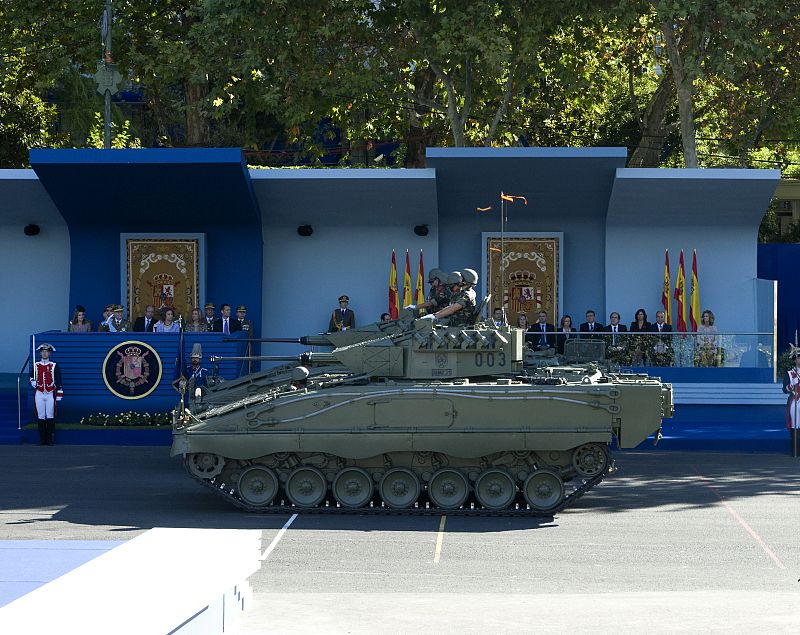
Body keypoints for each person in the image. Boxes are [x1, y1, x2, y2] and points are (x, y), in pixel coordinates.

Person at [30, 343, 62, 445]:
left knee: (50, 416)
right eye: (43, 352)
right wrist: (32, 381)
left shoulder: (54, 365)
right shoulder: (36, 365)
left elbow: (58, 380)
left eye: (46, 352)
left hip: (50, 394)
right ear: (40, 353)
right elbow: (31, 376)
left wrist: (59, 393)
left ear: (50, 353)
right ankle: (42, 439)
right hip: (39, 393)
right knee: (41, 416)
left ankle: (50, 439)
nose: (44, 353)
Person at [783, 349, 800, 455]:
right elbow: (784, 389)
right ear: (795, 360)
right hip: (795, 400)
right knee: (795, 425)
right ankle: (795, 450)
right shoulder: (790, 373)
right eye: (798, 358)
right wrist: (790, 386)